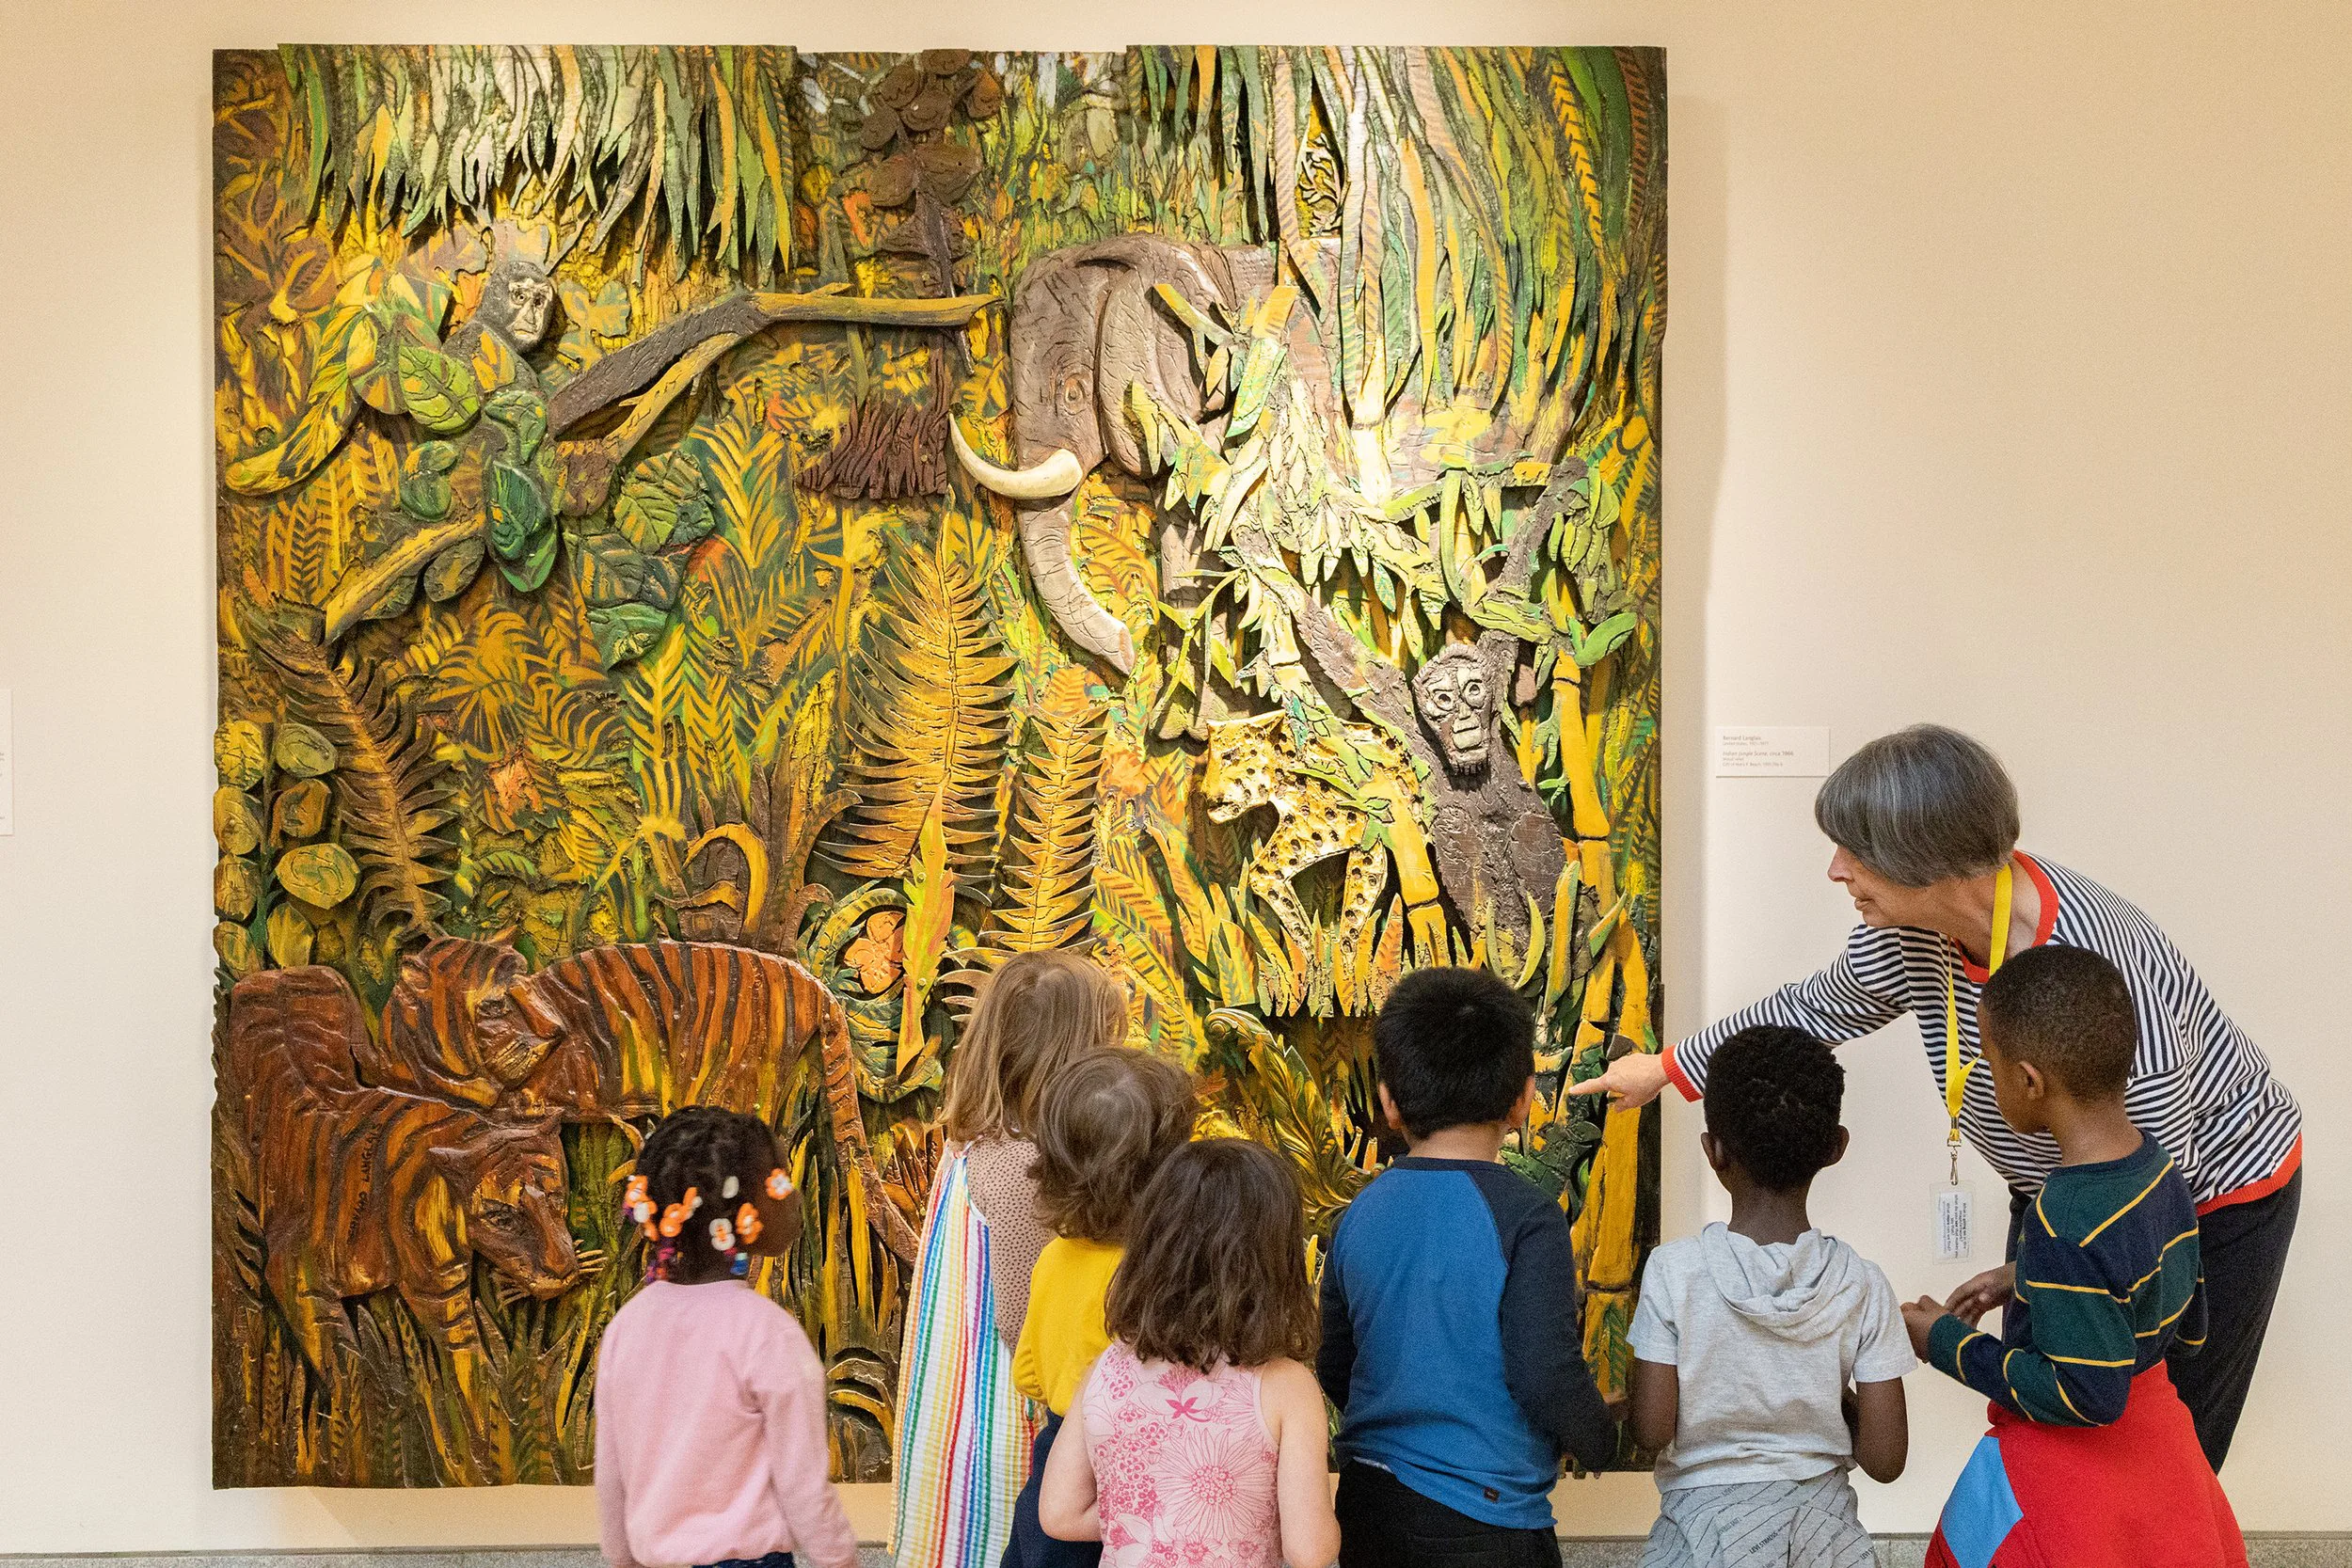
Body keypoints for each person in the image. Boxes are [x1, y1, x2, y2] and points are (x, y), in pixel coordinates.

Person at [1572, 723, 2299, 1469]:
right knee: (2046, 1436)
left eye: (1854, 851)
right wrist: (1667, 1068)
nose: (1834, 869)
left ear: (1930, 862)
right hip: (2067, 1193)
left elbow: (2146, 1186)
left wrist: (2042, 1279)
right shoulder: (1908, 926)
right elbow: (1819, 1004)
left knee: (2148, 1444)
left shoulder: (2091, 967)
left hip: (2197, 1196)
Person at [1900, 946, 2246, 1568]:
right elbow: (2180, 1290)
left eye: (1990, 1060)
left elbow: (2087, 1394)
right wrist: (2024, 1275)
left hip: (2068, 1473)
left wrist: (1944, 1340)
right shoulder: (2159, 1164)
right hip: (2162, 1433)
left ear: (2030, 1081)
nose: (1987, 1074)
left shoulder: (2061, 1216)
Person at [1319, 967, 1620, 1568]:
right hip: (1487, 1525)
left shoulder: (1361, 1212)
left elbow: (1335, 1365)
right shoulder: (1527, 1217)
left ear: (1389, 1102)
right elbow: (1543, 1370)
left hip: (1368, 1509)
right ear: (1523, 1098)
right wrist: (1601, 1439)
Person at [1629, 1025, 1912, 1568]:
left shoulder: (1674, 1271)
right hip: (1826, 1543)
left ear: (1713, 1150)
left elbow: (1651, 1429)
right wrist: (1835, 1406)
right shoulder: (1863, 1283)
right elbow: (1885, 1458)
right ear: (1836, 1147)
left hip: (1702, 1538)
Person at [894, 953, 1129, 1568]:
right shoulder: (1025, 1170)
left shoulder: (976, 1137)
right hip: (1007, 1421)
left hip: (963, 1407)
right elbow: (1025, 1319)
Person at [1038, 1139, 1343, 1568]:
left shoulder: (1106, 1370)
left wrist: (1159, 1525)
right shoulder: (1287, 1386)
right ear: (1277, 1261)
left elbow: (1059, 1514)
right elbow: (1310, 1551)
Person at [595, 1106, 859, 1568]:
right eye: (779, 1179)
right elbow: (803, 1488)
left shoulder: (626, 1327)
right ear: (743, 1210)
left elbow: (612, 1480)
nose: (794, 1194)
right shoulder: (767, 1333)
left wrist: (622, 1562)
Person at [1004, 1049, 1199, 1568]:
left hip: (1055, 1460)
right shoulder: (1158, 1274)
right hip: (1134, 1467)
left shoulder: (1052, 1259)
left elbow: (1028, 1374)